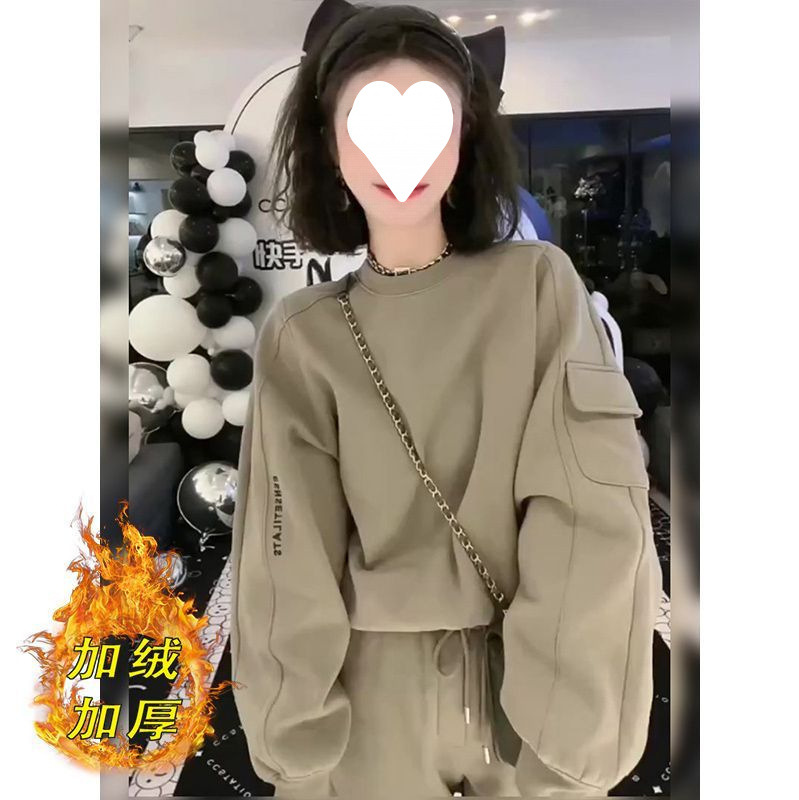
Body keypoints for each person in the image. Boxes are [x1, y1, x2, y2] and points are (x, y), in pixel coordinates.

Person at [230, 4, 662, 798]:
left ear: (465, 139)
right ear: (329, 143)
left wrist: (570, 735)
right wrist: (295, 746)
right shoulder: (303, 334)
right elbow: (285, 557)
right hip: (362, 709)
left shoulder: (536, 289)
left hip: (518, 693)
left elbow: (589, 516)